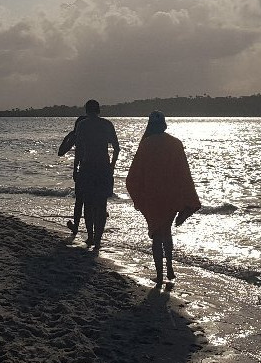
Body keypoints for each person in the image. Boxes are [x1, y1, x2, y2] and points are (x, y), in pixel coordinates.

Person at [125, 111, 201, 283]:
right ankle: (170, 268)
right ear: (164, 125)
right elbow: (184, 173)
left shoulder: (145, 144)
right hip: (171, 196)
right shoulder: (175, 143)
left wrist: (138, 198)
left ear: (150, 125)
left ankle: (160, 274)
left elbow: (135, 174)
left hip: (152, 197)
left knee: (157, 235)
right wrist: (187, 199)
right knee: (166, 232)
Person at [73, 100, 119, 250]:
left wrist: (75, 168)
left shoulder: (82, 125)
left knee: (88, 204)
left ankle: (91, 236)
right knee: (101, 205)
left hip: (87, 167)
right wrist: (112, 166)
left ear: (86, 110)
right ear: (99, 110)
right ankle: (98, 239)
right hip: (103, 167)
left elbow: (79, 149)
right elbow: (117, 148)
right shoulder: (107, 125)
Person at [57, 115, 86, 241]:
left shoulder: (76, 136)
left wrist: (68, 136)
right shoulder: (94, 137)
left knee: (80, 201)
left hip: (82, 171)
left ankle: (76, 227)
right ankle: (92, 233)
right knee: (91, 201)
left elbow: (61, 152)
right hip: (95, 170)